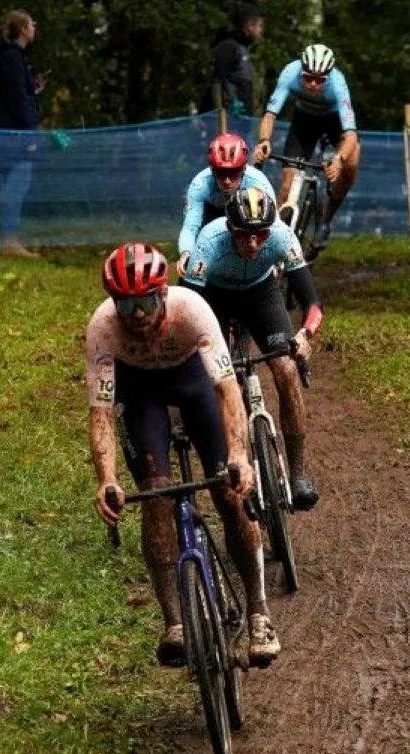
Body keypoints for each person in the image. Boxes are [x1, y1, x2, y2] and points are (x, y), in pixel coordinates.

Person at [86, 242, 281, 667]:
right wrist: (107, 478)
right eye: (127, 304)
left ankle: (259, 613)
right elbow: (101, 413)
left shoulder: (192, 309)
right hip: (141, 395)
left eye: (146, 302)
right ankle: (174, 622)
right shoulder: (102, 328)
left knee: (231, 496)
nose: (137, 315)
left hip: (193, 384)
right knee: (155, 500)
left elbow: (228, 390)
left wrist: (239, 455)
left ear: (162, 293)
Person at [182, 187, 322, 511]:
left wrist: (305, 334)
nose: (253, 243)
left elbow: (312, 303)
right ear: (231, 228)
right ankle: (239, 461)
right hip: (214, 299)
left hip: (261, 296)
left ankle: (298, 475)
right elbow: (188, 307)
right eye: (244, 235)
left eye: (260, 235)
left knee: (285, 368)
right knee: (223, 378)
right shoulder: (208, 244)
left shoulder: (283, 238)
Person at [253, 44, 360, 252]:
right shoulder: (290, 73)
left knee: (351, 162)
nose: (312, 84)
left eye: (320, 80)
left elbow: (351, 135)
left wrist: (339, 160)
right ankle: (266, 239)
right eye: (308, 77)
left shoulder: (338, 84)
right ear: (300, 71)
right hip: (305, 122)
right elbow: (269, 115)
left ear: (328, 76)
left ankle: (326, 221)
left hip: (334, 121)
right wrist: (264, 140)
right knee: (287, 183)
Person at [0, 8, 48, 258]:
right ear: (22, 29)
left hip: (5, 130)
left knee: (11, 184)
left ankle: (7, 239)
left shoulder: (11, 58)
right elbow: (17, 99)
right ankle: (9, 241)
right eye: (31, 24)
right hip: (14, 134)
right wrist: (29, 133)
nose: (34, 27)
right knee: (17, 183)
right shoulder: (12, 58)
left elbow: (17, 92)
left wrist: (33, 87)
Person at [176, 132, 275, 277]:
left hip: (247, 223)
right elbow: (190, 227)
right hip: (211, 217)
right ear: (211, 169)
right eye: (220, 172)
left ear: (244, 169)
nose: (227, 180)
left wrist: (273, 258)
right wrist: (186, 252)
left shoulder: (258, 183)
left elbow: (272, 225)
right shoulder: (200, 184)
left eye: (234, 172)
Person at [198, 2, 265, 116]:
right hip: (227, 121)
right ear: (249, 25)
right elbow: (216, 82)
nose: (260, 30)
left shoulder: (242, 49)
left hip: (241, 121)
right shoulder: (228, 46)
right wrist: (217, 115)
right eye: (260, 26)